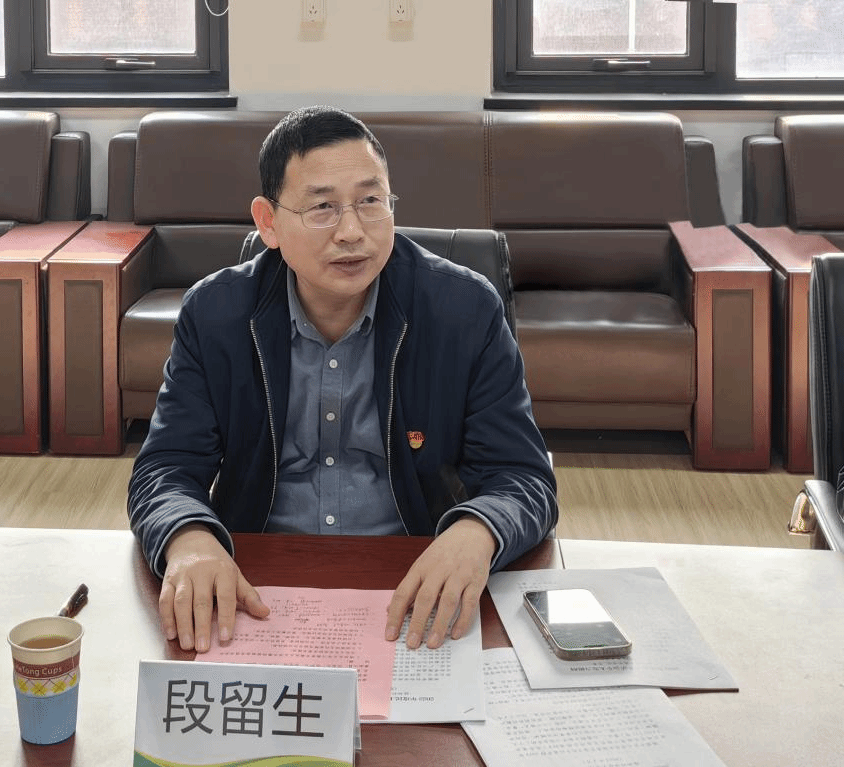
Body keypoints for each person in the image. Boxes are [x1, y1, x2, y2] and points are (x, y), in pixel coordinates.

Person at [128, 105, 557, 655]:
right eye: (323, 207)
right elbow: (165, 467)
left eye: (371, 201)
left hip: (415, 584)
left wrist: (476, 531)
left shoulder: (465, 309)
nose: (353, 232)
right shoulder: (215, 314)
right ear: (268, 222)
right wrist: (189, 539)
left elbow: (523, 475)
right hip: (255, 587)